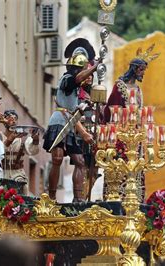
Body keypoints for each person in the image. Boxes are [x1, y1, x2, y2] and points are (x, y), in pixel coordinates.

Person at [43, 38, 97, 202]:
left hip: (70, 123)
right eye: (82, 68)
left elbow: (75, 109)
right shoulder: (67, 79)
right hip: (59, 121)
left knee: (79, 161)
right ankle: (51, 198)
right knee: (57, 158)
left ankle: (78, 198)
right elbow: (77, 79)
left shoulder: (78, 88)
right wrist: (94, 67)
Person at [103, 45, 159, 200]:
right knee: (120, 164)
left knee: (136, 166)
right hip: (121, 134)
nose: (143, 73)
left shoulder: (138, 89)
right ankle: (116, 196)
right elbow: (111, 109)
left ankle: (134, 198)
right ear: (134, 69)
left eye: (144, 70)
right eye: (141, 70)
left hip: (136, 135)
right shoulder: (120, 85)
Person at [0, 110, 40, 193]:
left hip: (18, 173)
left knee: (22, 186)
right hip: (2, 173)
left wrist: (35, 141)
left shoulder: (23, 138)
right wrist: (9, 140)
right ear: (4, 121)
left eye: (15, 119)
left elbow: (32, 151)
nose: (13, 121)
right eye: (10, 118)